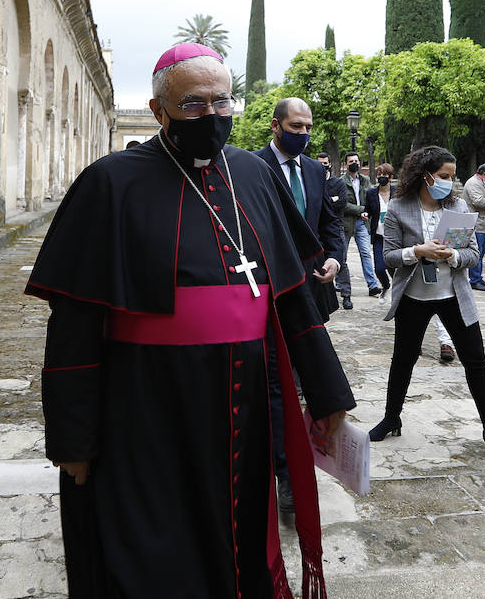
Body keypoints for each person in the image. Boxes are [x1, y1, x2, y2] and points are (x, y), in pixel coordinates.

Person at [29, 43, 355, 598]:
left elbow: (293, 296)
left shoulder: (254, 174)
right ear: (160, 112)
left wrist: (327, 398)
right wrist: (73, 439)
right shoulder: (110, 183)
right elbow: (75, 327)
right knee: (155, 550)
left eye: (223, 101)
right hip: (146, 409)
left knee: (243, 540)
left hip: (244, 409)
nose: (213, 115)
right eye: (194, 104)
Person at [369, 145, 485, 456]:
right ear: (425, 175)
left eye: (452, 176)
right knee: (403, 360)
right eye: (443, 176)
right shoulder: (399, 208)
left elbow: (473, 254)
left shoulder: (458, 207)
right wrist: (417, 251)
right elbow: (389, 257)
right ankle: (391, 418)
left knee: (476, 360)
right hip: (413, 297)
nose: (449, 182)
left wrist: (453, 254)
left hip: (453, 296)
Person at [253, 97, 345, 514]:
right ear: (276, 126)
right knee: (279, 380)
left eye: (308, 127)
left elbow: (328, 222)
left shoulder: (314, 169)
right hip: (268, 291)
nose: (304, 134)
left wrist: (333, 256)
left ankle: (302, 454)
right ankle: (286, 470)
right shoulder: (251, 167)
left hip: (311, 287)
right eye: (296, 126)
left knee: (306, 375)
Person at [336, 151, 383, 303]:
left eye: (356, 160)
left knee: (365, 254)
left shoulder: (365, 180)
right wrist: (362, 210)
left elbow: (371, 198)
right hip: (346, 223)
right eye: (351, 162)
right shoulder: (341, 182)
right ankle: (339, 283)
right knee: (342, 255)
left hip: (362, 222)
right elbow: (342, 204)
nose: (355, 163)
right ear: (346, 164)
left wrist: (367, 212)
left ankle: (372, 285)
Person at [318, 152, 353, 308]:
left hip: (336, 226)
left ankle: (346, 295)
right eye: (320, 163)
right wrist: (331, 200)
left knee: (341, 260)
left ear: (330, 164)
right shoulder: (313, 181)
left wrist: (324, 203)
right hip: (317, 227)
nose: (323, 166)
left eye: (325, 163)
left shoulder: (337, 183)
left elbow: (342, 203)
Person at [366, 162, 395, 297]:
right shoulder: (371, 193)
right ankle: (386, 285)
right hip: (378, 235)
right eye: (379, 175)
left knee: (393, 267)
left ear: (390, 177)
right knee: (379, 267)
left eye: (384, 175)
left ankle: (399, 289)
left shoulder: (398, 193)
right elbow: (368, 210)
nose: (381, 177)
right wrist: (365, 214)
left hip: (394, 237)